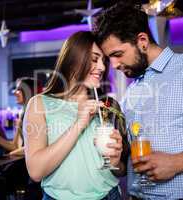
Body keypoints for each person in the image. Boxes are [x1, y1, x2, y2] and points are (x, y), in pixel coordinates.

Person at [93, 1, 183, 199]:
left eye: (117, 54)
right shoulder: (131, 94)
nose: (114, 65)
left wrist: (177, 163)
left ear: (142, 40)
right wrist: (117, 160)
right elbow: (126, 167)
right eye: (110, 58)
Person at [23, 31, 129, 200]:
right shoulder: (39, 104)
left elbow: (122, 170)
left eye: (103, 61)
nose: (102, 67)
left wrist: (116, 162)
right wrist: (80, 123)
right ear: (73, 59)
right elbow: (36, 172)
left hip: (110, 195)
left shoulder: (108, 106)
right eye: (95, 59)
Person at [0, 77, 43, 199]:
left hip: (33, 164)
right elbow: (16, 146)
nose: (14, 92)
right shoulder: (22, 114)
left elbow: (28, 148)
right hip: (25, 162)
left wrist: (9, 156)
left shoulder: (37, 113)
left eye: (18, 89)